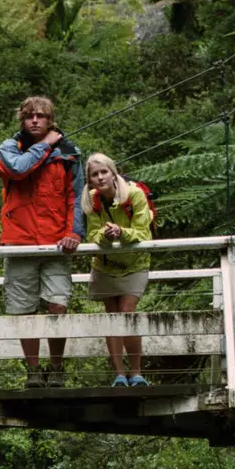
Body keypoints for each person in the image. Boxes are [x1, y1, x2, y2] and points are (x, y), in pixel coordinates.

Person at [0, 96, 83, 386]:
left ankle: (56, 368)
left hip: (57, 243)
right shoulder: (9, 148)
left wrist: (75, 233)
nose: (35, 120)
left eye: (41, 116)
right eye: (29, 116)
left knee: (58, 304)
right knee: (23, 309)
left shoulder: (69, 154)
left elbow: (77, 197)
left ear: (50, 120)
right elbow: (19, 169)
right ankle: (33, 371)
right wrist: (45, 145)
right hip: (19, 242)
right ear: (22, 120)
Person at [79, 152, 154, 386]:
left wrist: (121, 233)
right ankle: (119, 375)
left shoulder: (134, 194)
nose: (100, 178)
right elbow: (91, 234)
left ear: (114, 173)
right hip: (105, 264)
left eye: (104, 172)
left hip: (134, 263)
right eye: (95, 174)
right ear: (89, 180)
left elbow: (143, 232)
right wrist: (105, 234)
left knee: (127, 313)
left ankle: (137, 372)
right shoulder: (91, 199)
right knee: (112, 317)